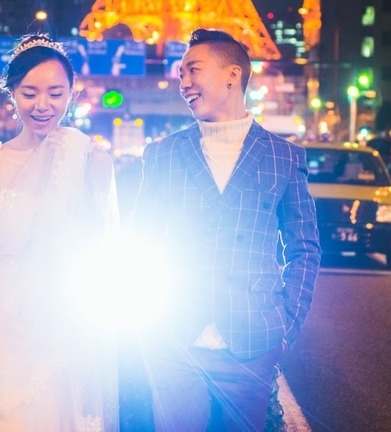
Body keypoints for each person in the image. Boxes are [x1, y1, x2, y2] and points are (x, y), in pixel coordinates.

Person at [131, 28, 321, 431]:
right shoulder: (163, 154)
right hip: (173, 340)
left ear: (232, 75)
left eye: (192, 71)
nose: (183, 83)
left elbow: (305, 248)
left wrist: (286, 324)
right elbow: (139, 242)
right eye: (181, 74)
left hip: (252, 344)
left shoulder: (284, 157)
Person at [0, 33, 120, 431]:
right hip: (2, 334)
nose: (43, 105)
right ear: (12, 94)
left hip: (63, 328)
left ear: (72, 94)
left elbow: (104, 250)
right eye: (30, 93)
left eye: (56, 93)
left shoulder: (90, 158)